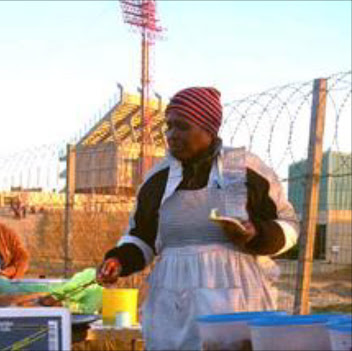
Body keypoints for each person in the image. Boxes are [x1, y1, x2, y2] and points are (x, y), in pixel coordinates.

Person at [97, 87, 299, 350]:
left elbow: (290, 226)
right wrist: (119, 260)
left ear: (208, 129)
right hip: (172, 304)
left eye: (181, 127)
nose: (171, 135)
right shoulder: (156, 180)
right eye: (168, 127)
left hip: (235, 302)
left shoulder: (244, 169)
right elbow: (141, 238)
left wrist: (257, 235)